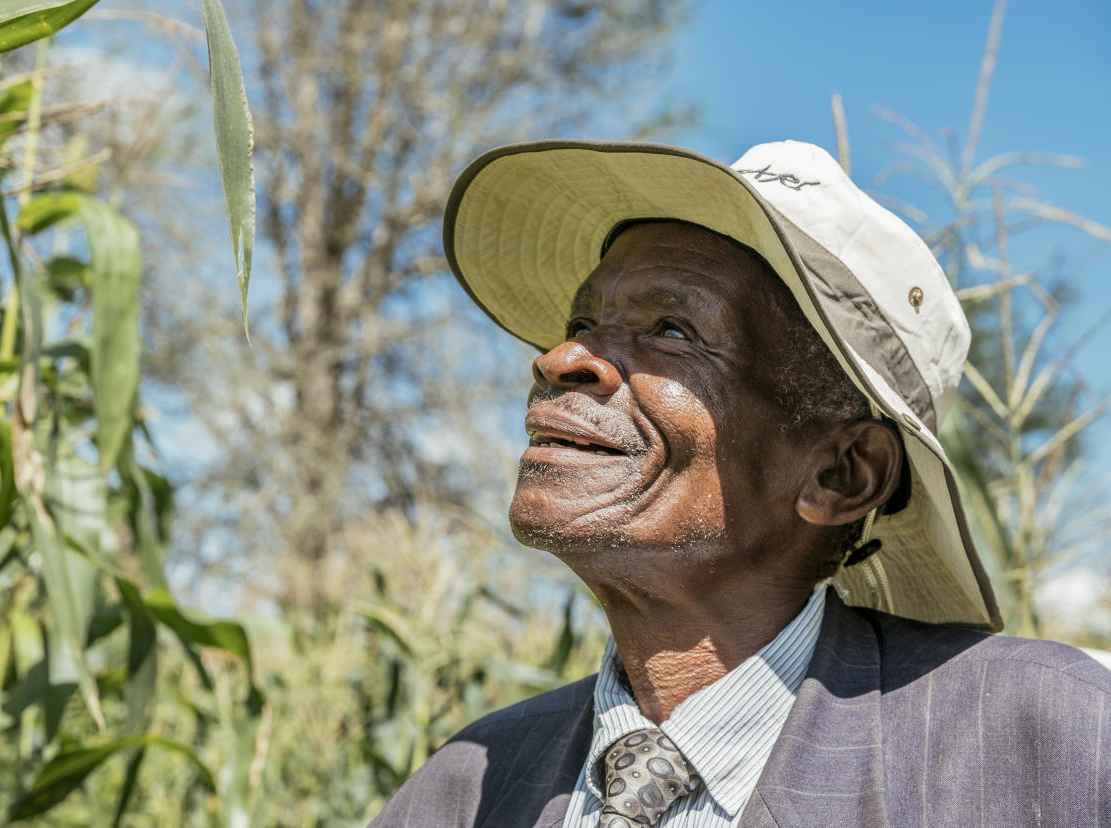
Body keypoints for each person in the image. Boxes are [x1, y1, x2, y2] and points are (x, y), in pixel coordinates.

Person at [370, 140, 1111, 827]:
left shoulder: (1044, 746)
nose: (562, 358)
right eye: (584, 319)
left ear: (840, 474)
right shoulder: (463, 788)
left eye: (673, 330)